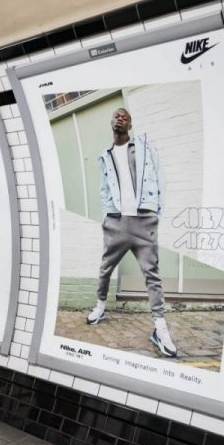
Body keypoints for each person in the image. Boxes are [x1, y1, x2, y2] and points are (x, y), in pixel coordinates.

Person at [86, 108, 177, 358]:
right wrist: (108, 216)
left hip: (144, 219)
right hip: (116, 220)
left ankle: (160, 327)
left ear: (131, 124)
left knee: (152, 274)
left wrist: (157, 212)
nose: (120, 118)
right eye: (116, 115)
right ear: (110, 122)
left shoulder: (145, 150)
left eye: (125, 116)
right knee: (106, 267)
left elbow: (161, 178)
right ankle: (100, 307)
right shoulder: (105, 157)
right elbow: (104, 189)